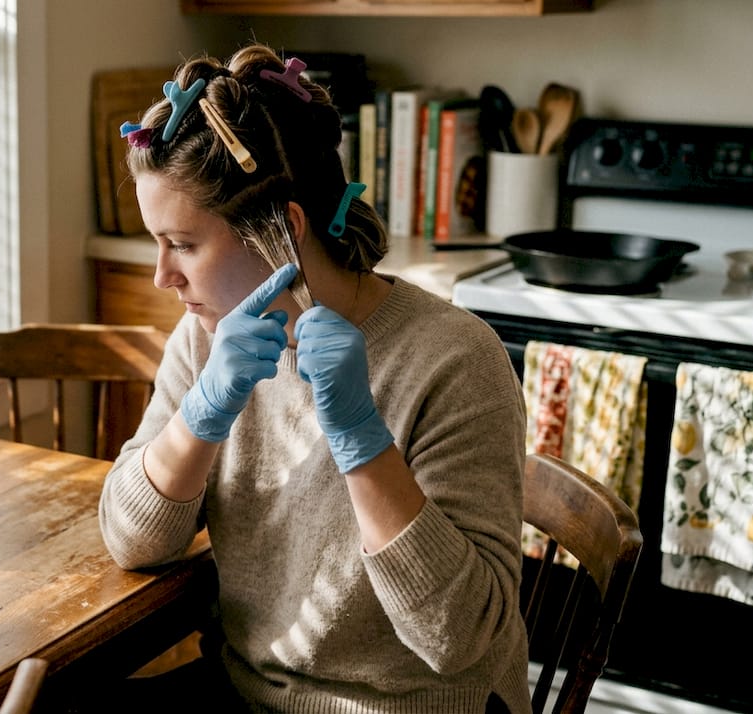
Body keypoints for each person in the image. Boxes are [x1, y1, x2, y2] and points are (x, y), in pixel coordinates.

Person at [98, 44, 530, 714]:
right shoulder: (207, 335)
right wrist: (204, 410)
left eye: (182, 244)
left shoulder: (456, 360)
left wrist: (361, 437)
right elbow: (132, 539)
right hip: (251, 694)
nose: (162, 276)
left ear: (283, 229)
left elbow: (458, 640)